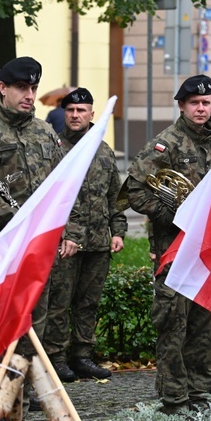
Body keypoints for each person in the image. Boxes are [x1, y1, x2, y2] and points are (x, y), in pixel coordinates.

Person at [122, 74, 211, 414]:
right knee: (173, 323)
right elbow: (134, 192)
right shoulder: (164, 144)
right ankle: (174, 398)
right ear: (182, 106)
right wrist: (175, 215)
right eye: (196, 104)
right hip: (174, 250)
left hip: (210, 251)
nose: (203, 109)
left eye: (209, 103)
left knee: (205, 324)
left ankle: (199, 394)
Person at [0, 56, 62, 421]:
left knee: (28, 345)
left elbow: (59, 188)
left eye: (33, 88)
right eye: (21, 88)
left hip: (35, 257)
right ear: (1, 88)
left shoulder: (45, 133)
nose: (29, 95)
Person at [42, 88, 128, 382]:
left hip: (98, 243)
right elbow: (50, 200)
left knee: (88, 303)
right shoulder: (55, 150)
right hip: (66, 243)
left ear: (93, 114)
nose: (76, 115)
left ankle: (81, 356)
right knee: (59, 304)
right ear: (64, 114)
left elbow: (115, 197)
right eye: (70, 111)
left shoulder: (102, 151)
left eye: (82, 110)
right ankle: (55, 358)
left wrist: (118, 232)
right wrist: (64, 234)